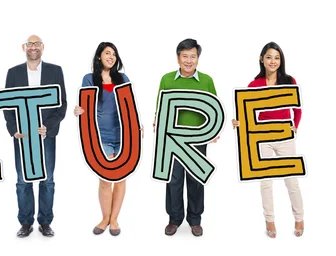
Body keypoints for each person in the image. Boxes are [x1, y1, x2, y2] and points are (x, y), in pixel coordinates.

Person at [231, 41, 304, 238]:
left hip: (284, 136)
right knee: (265, 181)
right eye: (269, 57)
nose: (273, 61)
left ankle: (299, 217)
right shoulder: (254, 85)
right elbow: (246, 113)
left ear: (281, 61)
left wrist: (294, 125)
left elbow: (297, 108)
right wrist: (239, 123)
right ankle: (269, 220)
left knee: (291, 180)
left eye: (277, 57)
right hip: (262, 138)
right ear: (261, 59)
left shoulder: (289, 80)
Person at [74, 42, 142, 236]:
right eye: (107, 53)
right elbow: (84, 105)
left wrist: (138, 125)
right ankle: (105, 217)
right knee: (105, 179)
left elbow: (131, 105)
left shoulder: (123, 78)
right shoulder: (89, 79)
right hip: (101, 136)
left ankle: (114, 219)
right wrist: (78, 110)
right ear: (99, 57)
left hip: (124, 135)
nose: (111, 57)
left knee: (121, 178)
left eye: (114, 54)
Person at [3, 35, 67, 237]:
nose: (33, 47)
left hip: (45, 136)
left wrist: (47, 126)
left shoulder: (55, 71)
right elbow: (7, 105)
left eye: (36, 44)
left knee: (47, 180)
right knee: (23, 180)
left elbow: (62, 104)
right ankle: (25, 222)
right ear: (24, 47)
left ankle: (45, 222)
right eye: (29, 44)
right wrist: (13, 129)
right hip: (22, 137)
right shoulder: (13, 73)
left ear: (43, 47)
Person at [153, 38, 219, 237]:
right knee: (173, 180)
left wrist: (214, 130)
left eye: (193, 56)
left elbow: (215, 108)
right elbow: (160, 106)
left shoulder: (206, 80)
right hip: (172, 140)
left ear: (198, 58)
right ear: (178, 58)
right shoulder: (167, 79)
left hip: (198, 140)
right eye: (185, 56)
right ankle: (174, 219)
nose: (188, 60)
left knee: (196, 179)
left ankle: (195, 220)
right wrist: (158, 121)